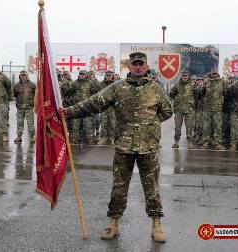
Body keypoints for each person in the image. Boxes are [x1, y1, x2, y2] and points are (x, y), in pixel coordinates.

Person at [62, 52, 173, 242]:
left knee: (152, 187)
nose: (138, 67)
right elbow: (92, 104)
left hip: (148, 147)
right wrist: (66, 113)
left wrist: (150, 125)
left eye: (141, 64)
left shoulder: (155, 89)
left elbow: (167, 111)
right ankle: (113, 223)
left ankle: (156, 225)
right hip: (124, 146)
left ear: (146, 67)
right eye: (134, 64)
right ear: (129, 66)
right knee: (119, 187)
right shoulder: (117, 88)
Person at [201, 70, 226, 150]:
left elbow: (226, 93)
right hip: (207, 108)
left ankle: (218, 142)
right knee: (206, 126)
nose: (214, 75)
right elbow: (202, 92)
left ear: (218, 74)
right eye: (213, 74)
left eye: (215, 74)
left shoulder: (222, 82)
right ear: (210, 74)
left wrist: (221, 101)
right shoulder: (206, 82)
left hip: (217, 108)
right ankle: (205, 142)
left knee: (218, 126)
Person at [169, 71, 195, 149]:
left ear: (188, 76)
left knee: (189, 126)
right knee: (177, 126)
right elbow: (171, 94)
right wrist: (178, 100)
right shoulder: (176, 85)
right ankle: (176, 142)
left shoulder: (192, 86)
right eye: (183, 76)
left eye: (186, 76)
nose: (184, 77)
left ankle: (190, 142)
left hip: (189, 109)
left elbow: (196, 95)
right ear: (181, 76)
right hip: (179, 109)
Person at [13, 70, 36, 143]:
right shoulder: (17, 85)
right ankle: (19, 137)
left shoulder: (32, 85)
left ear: (27, 76)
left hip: (29, 107)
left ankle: (31, 137)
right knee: (19, 123)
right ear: (20, 76)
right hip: (20, 108)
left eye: (24, 75)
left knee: (30, 123)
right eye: (22, 75)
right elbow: (15, 94)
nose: (23, 76)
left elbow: (36, 94)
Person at [98, 70, 116, 145]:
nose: (108, 77)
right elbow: (98, 94)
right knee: (104, 122)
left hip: (112, 106)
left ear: (112, 76)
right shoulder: (101, 84)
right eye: (107, 75)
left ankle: (112, 138)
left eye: (110, 75)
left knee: (113, 122)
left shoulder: (115, 84)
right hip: (104, 106)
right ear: (105, 76)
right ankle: (103, 138)